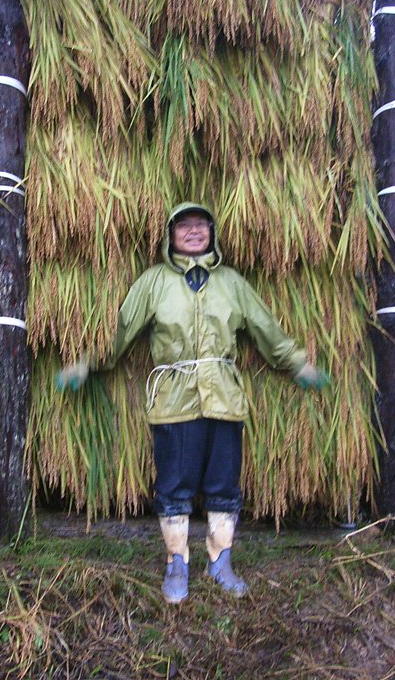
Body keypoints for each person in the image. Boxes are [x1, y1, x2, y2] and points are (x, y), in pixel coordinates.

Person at [57, 202, 328, 604]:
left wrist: (298, 364)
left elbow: (264, 327)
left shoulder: (232, 283)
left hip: (224, 400)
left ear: (212, 233)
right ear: (170, 235)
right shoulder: (154, 282)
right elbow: (120, 331)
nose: (194, 231)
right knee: (174, 486)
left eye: (202, 224)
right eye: (185, 225)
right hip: (174, 401)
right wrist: (87, 364)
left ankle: (220, 563)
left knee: (224, 485)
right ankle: (176, 565)